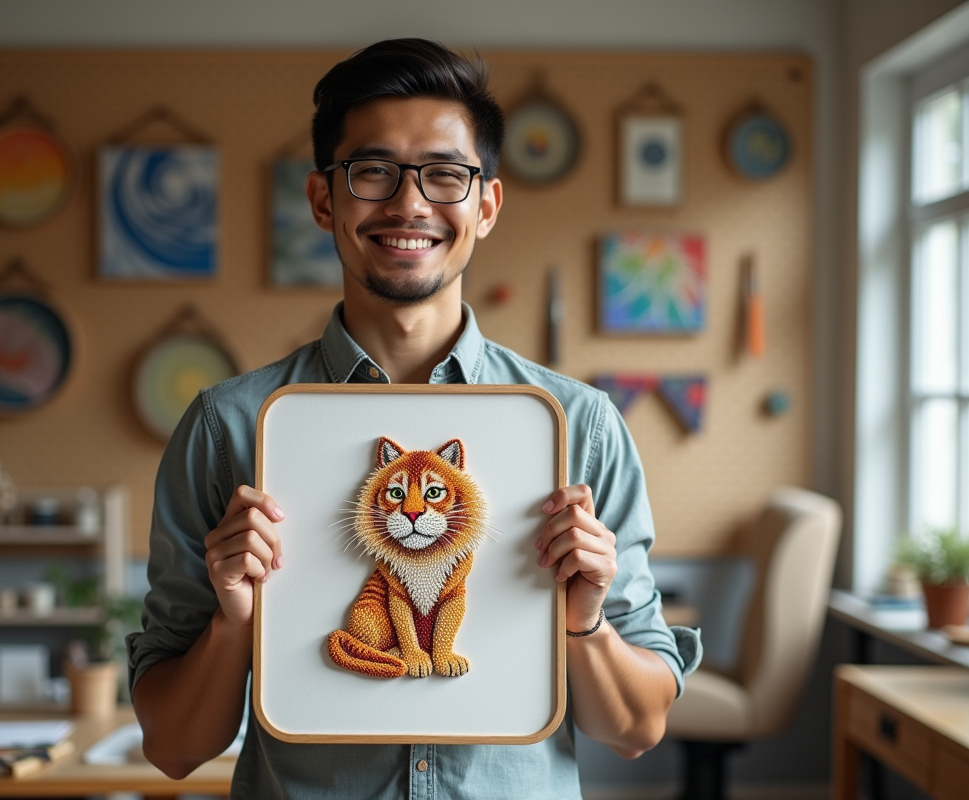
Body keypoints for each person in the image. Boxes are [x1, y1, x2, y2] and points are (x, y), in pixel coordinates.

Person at [128, 37, 701, 799]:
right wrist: (234, 622)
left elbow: (634, 730)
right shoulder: (227, 427)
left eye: (444, 175)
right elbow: (172, 747)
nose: (408, 204)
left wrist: (584, 622)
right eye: (373, 172)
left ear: (486, 205)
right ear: (324, 199)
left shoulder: (580, 426)